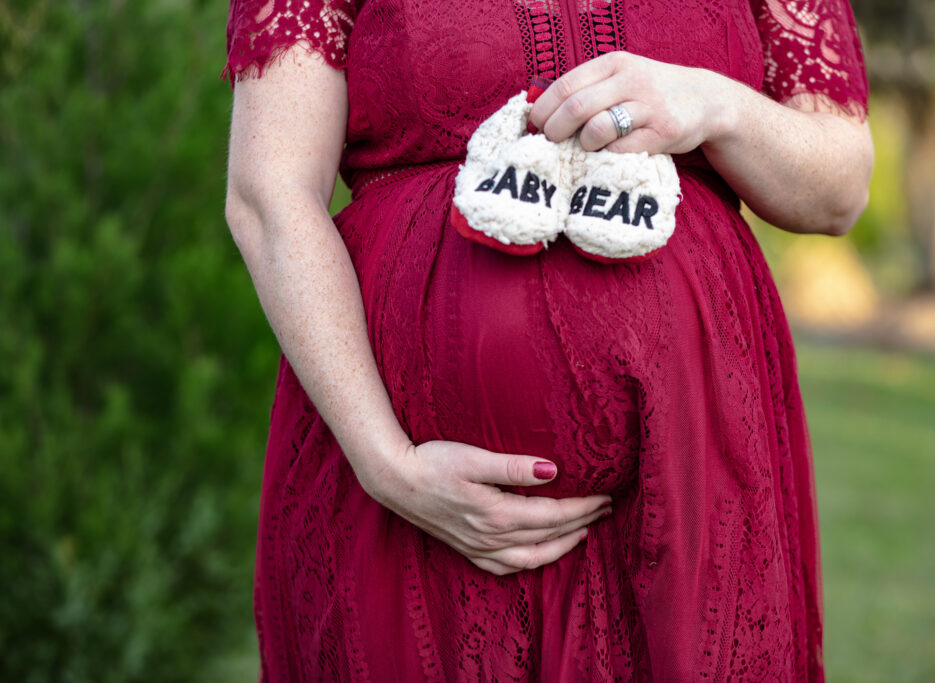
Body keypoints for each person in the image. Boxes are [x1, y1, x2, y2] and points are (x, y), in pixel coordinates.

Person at [222, 0, 872, 680]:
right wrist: (387, 462)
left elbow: (839, 187)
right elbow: (271, 193)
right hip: (404, 492)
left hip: (689, 479)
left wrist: (715, 105)